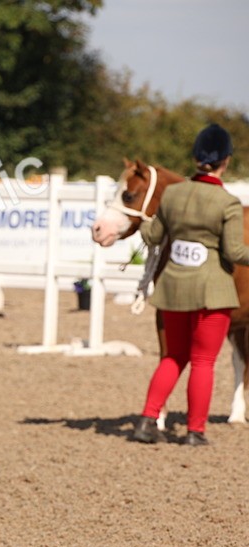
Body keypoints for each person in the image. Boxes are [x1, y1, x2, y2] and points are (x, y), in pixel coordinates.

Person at [132, 124, 249, 445]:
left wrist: (142, 225)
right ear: (225, 161)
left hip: (173, 288)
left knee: (173, 357)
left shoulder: (172, 194)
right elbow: (234, 251)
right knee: (203, 361)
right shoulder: (227, 203)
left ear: (196, 158)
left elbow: (153, 236)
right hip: (212, 291)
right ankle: (195, 431)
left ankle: (146, 421)